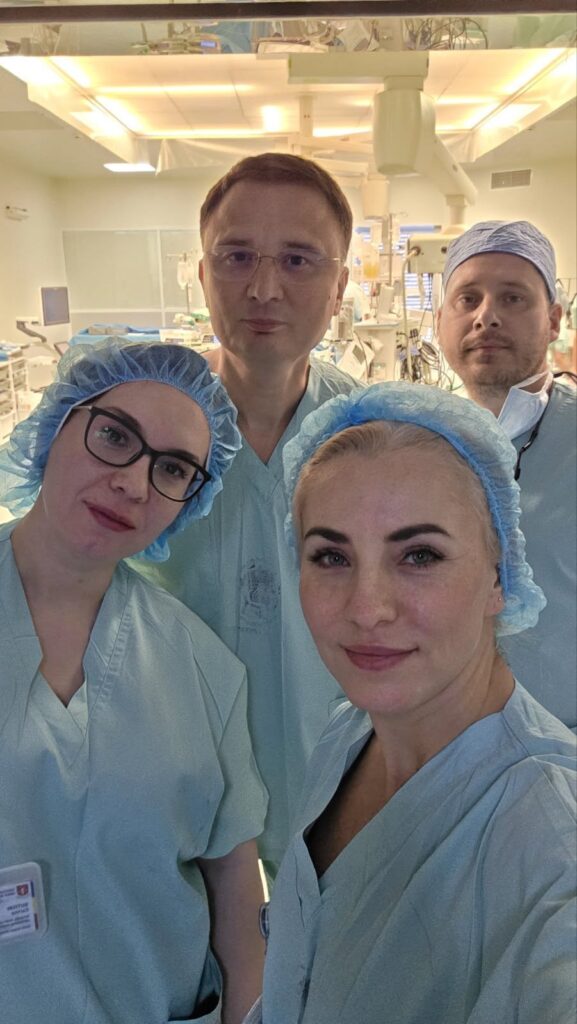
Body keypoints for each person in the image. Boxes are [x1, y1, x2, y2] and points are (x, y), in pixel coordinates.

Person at [244, 383, 576, 1024]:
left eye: (419, 555)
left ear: (499, 574)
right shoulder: (349, 736)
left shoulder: (552, 851)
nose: (367, 608)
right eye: (331, 556)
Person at [0, 339, 268, 1024]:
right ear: (55, 425)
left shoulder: (200, 666)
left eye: (172, 468)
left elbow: (236, 890)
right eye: (115, 436)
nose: (133, 484)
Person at [138, 153, 359, 879]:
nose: (264, 288)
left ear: (339, 287)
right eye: (236, 257)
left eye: (298, 259)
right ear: (203, 275)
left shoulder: (372, 437)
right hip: (172, 789)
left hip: (343, 784)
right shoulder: (142, 432)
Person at [435, 220, 576, 730]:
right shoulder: (418, 444)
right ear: (440, 322)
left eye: (513, 298)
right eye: (467, 299)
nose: (486, 317)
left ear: (554, 320)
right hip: (443, 742)